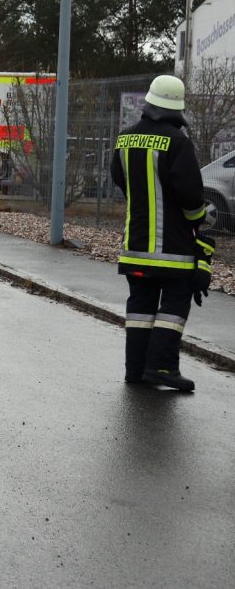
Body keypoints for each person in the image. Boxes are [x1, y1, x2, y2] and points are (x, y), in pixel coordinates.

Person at [110, 75, 214, 391]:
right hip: (173, 248)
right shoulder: (177, 142)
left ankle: (137, 370)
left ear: (150, 102)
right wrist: (201, 219)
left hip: (136, 245)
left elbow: (119, 180)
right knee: (174, 303)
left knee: (139, 307)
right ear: (176, 109)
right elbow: (190, 197)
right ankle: (163, 368)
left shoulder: (124, 139)